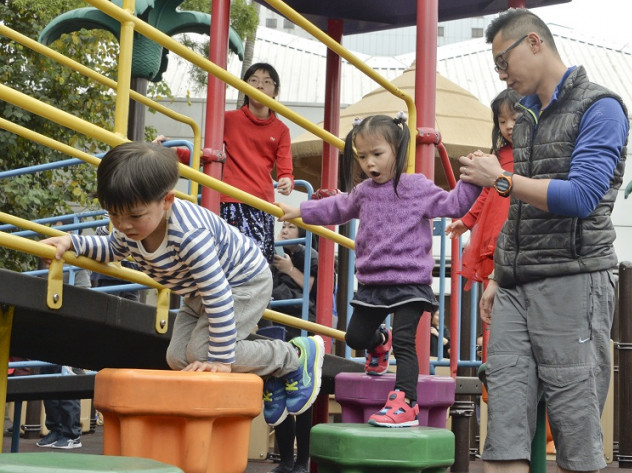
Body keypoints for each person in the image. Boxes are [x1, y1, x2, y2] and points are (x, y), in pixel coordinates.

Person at [39, 141, 324, 429]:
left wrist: (222, 360)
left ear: (166, 200)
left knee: (205, 354)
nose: (124, 225)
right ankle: (272, 371)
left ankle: (295, 356)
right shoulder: (131, 226)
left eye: (134, 216)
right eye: (114, 215)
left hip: (242, 282)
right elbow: (113, 249)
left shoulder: (188, 236)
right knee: (177, 357)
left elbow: (218, 296)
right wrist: (73, 242)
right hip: (198, 294)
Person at [459, 8, 629, 473]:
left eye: (502, 61)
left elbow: (581, 196)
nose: (501, 74)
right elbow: (519, 208)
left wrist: (501, 179)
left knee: (576, 440)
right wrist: (498, 272)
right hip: (517, 285)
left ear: (534, 43)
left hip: (574, 280)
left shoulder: (600, 107)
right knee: (504, 435)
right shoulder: (528, 116)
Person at [277, 113, 481, 427]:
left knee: (405, 342)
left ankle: (405, 401)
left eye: (377, 154)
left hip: (410, 282)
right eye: (361, 157)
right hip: (373, 283)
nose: (369, 163)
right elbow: (337, 206)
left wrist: (471, 180)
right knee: (356, 337)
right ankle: (378, 340)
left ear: (397, 151)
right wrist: (301, 210)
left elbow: (453, 204)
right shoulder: (365, 191)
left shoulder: (415, 186)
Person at [156, 62, 293, 262]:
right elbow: (207, 155)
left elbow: (285, 170)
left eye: (267, 82)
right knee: (229, 258)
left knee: (257, 262)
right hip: (230, 199)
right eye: (253, 80)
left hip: (261, 203)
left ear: (276, 91)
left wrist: (287, 181)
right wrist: (172, 148)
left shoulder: (281, 130)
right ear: (244, 86)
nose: (259, 86)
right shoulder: (228, 119)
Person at [446, 88, 520, 290]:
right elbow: (487, 192)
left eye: (514, 118)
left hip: (519, 229)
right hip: (494, 229)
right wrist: (467, 221)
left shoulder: (536, 154)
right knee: (493, 285)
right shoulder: (499, 155)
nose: (509, 126)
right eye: (502, 121)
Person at [267, 221, 319, 473]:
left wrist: (289, 268)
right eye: (283, 226)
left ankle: (301, 461)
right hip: (279, 324)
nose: (284, 230)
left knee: (301, 395)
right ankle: (286, 460)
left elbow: (312, 288)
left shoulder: (307, 252)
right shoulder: (276, 251)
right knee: (277, 395)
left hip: (300, 325)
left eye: (290, 226)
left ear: (302, 232)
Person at [37, 263, 90, 450]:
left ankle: (71, 434)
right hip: (52, 322)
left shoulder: (77, 264)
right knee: (48, 375)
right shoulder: (50, 266)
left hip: (70, 324)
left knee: (67, 375)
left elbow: (84, 297)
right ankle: (55, 429)